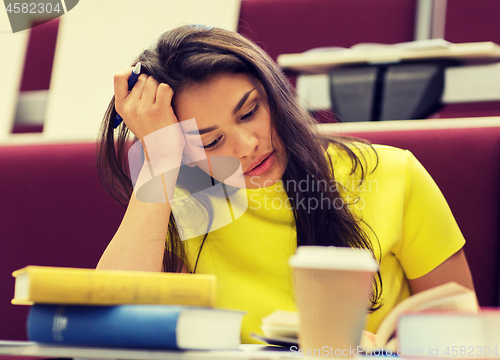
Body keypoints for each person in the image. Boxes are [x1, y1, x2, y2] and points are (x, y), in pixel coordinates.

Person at [96, 24, 475, 343]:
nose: (247, 147)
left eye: (249, 112)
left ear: (275, 93)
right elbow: (105, 322)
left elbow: (461, 335)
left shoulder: (391, 174)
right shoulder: (188, 197)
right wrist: (159, 161)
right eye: (210, 142)